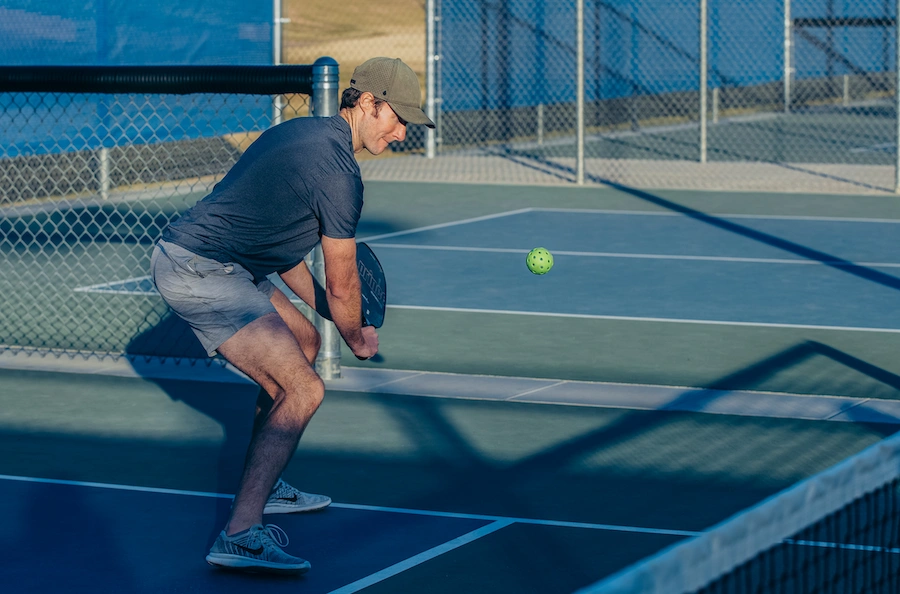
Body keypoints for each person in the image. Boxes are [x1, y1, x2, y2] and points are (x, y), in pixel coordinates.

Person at [150, 57, 435, 574]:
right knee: (305, 389)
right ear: (368, 103)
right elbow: (343, 274)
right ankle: (239, 534)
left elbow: (282, 250)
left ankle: (268, 484)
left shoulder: (306, 136)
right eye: (398, 118)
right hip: (200, 268)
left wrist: (325, 310)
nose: (401, 132)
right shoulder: (339, 173)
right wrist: (354, 333)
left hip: (231, 263)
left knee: (303, 342)